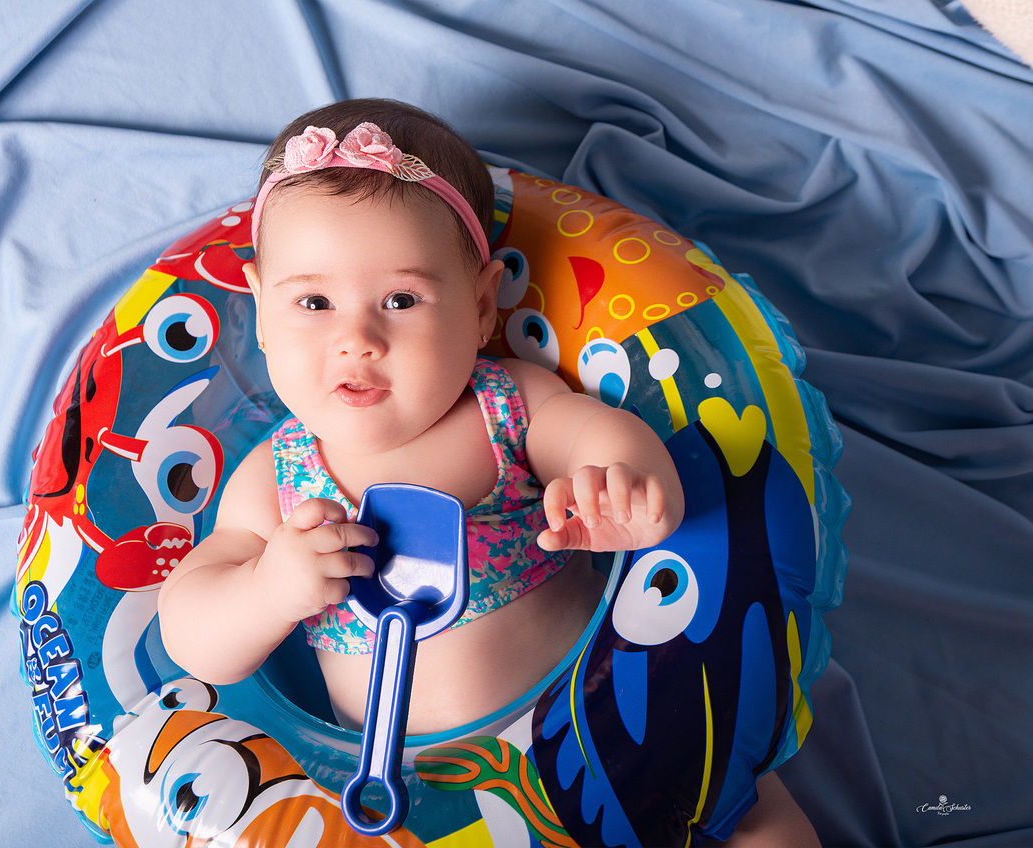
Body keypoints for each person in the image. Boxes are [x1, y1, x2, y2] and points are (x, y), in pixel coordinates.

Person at [157, 98, 816, 846]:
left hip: (614, 734)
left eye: (400, 299)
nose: (356, 339)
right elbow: (193, 639)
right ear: (260, 309)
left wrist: (621, 484)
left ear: (478, 305)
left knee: (755, 817)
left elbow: (600, 436)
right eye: (314, 301)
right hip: (429, 812)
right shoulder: (271, 481)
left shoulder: (506, 408)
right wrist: (268, 590)